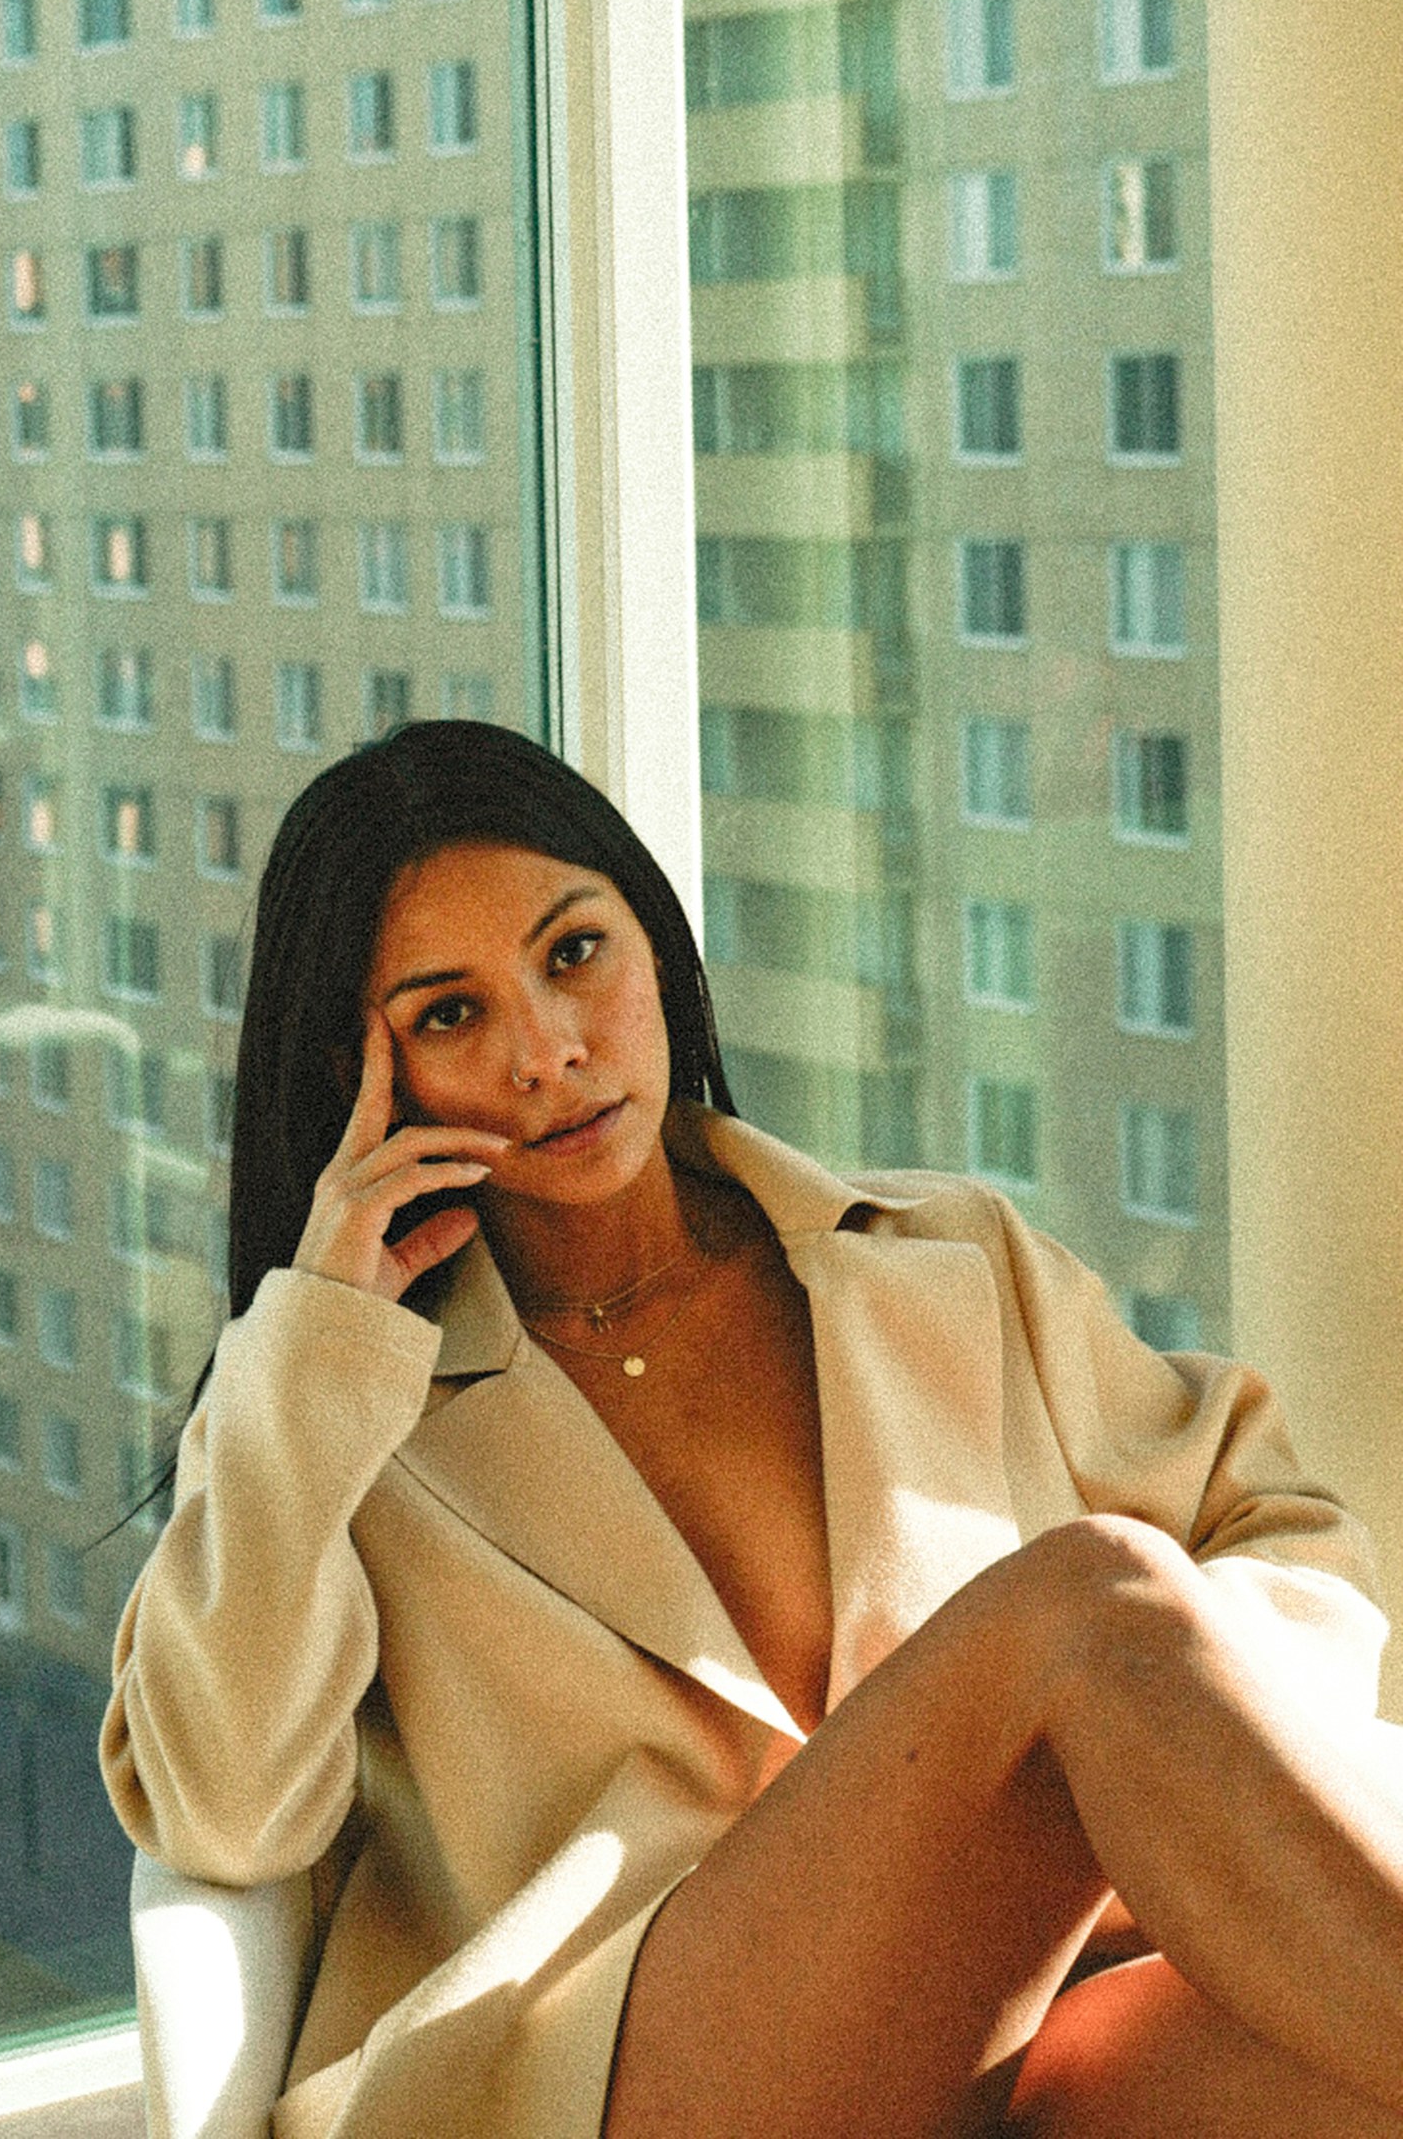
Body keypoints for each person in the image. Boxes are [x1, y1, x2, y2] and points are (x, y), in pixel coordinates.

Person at [102, 722, 1403, 2139]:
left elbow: (1279, 1530)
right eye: (449, 1015)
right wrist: (319, 1352)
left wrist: (1152, 1809)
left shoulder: (946, 1260)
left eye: (574, 953)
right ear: (371, 1077)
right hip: (599, 2084)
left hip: (991, 2050)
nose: (548, 1049)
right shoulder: (332, 1409)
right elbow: (222, 1820)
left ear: (656, 944)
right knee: (1090, 1600)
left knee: (1325, 2064)